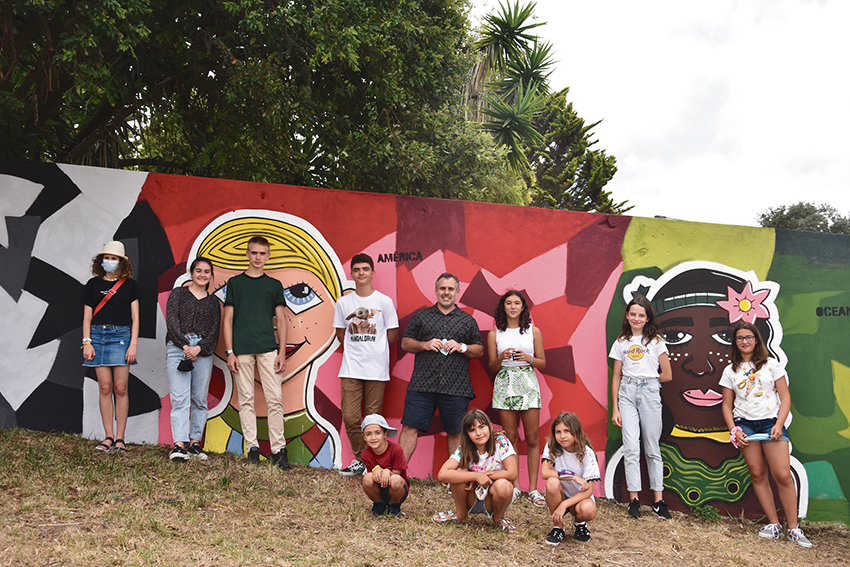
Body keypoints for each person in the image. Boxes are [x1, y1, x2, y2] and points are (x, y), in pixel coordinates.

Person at [721, 321, 812, 548]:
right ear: (735, 342)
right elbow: (725, 405)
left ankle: (793, 528)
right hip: (745, 426)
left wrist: (779, 425)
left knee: (782, 475)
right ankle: (773, 525)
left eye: (749, 337)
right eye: (740, 338)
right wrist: (734, 430)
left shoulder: (772, 365)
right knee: (758, 474)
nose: (745, 341)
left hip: (771, 424)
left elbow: (786, 397)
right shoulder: (730, 370)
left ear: (756, 339)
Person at [399, 273, 484, 462]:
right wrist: (424, 345)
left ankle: (456, 479)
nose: (446, 292)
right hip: (422, 385)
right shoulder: (421, 316)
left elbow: (479, 350)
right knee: (409, 427)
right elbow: (405, 343)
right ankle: (398, 474)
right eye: (443, 288)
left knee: (456, 432)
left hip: (456, 386)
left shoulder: (467, 320)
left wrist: (462, 347)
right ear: (436, 291)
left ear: (457, 292)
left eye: (450, 289)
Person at [222, 235, 290, 469]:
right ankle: (252, 449)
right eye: (254, 253)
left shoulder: (273, 285)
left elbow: (281, 321)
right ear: (248, 254)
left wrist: (282, 352)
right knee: (246, 400)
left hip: (268, 349)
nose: (258, 257)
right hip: (241, 350)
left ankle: (279, 451)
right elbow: (228, 319)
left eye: (262, 253)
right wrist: (229, 351)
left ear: (268, 256)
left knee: (275, 400)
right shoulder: (235, 283)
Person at [334, 254, 399, 476]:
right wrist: (357, 346)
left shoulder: (384, 302)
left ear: (372, 273)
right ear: (351, 274)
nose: (361, 273)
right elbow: (341, 334)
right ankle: (362, 460)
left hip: (377, 369)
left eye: (365, 269)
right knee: (351, 417)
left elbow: (391, 334)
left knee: (373, 420)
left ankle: (373, 465)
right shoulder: (343, 303)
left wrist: (375, 347)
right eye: (357, 269)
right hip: (351, 368)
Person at [609, 296, 672, 518]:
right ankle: (634, 499)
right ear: (627, 315)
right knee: (631, 447)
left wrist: (649, 382)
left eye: (641, 315)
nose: (636, 318)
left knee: (652, 448)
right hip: (626, 393)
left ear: (647, 318)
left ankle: (658, 501)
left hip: (650, 393)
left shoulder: (655, 342)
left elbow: (667, 374)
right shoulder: (621, 343)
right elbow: (616, 376)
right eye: (633, 314)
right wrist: (616, 408)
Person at [487, 290, 546, 506]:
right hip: (504, 383)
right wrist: (501, 357)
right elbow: (492, 366)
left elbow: (543, 363)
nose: (513, 306)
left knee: (531, 438)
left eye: (517, 303)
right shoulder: (495, 334)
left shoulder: (533, 331)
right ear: (503, 307)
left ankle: (533, 489)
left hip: (528, 383)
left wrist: (528, 358)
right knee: (510, 436)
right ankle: (515, 486)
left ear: (523, 307)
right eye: (509, 303)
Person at [81, 241, 141, 453]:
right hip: (97, 336)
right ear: (101, 261)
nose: (110, 261)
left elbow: (136, 318)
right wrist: (86, 342)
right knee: (104, 387)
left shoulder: (131, 285)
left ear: (122, 262)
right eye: (107, 258)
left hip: (121, 336)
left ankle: (120, 438)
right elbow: (87, 316)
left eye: (114, 258)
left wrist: (133, 344)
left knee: (121, 388)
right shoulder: (92, 284)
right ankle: (108, 436)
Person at [165, 257, 221, 461]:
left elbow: (215, 331)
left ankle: (195, 443)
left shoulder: (213, 302)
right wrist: (185, 346)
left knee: (199, 399)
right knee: (180, 398)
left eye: (207, 272)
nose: (202, 275)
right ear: (192, 272)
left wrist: (199, 348)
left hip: (202, 352)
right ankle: (179, 445)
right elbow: (171, 321)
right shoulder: (178, 294)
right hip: (177, 348)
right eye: (199, 270)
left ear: (211, 275)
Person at [433, 409, 519, 533]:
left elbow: (512, 473)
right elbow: (443, 474)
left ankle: (498, 518)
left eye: (481, 427)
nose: (478, 433)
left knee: (504, 485)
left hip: (493, 497)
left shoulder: (501, 441)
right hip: (470, 495)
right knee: (459, 471)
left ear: (490, 427)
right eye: (472, 430)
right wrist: (474, 476)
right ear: (467, 434)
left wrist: (483, 476)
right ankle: (461, 514)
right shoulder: (465, 447)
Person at [541, 412, 599, 545]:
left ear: (576, 431)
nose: (562, 436)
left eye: (567, 431)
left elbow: (588, 491)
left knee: (588, 510)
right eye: (558, 432)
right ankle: (558, 527)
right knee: (552, 482)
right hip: (559, 495)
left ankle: (579, 524)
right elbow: (545, 472)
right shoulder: (552, 446)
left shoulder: (587, 453)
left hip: (579, 498)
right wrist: (573, 477)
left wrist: (565, 504)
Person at [360, 414, 409, 518]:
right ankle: (379, 504)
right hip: (379, 488)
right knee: (367, 478)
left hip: (398, 489)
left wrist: (386, 471)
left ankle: (395, 506)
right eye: (368, 434)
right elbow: (372, 476)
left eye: (377, 433)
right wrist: (375, 470)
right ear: (364, 437)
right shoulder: (365, 454)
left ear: (385, 434)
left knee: (395, 480)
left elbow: (397, 475)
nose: (373, 437)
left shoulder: (396, 449)